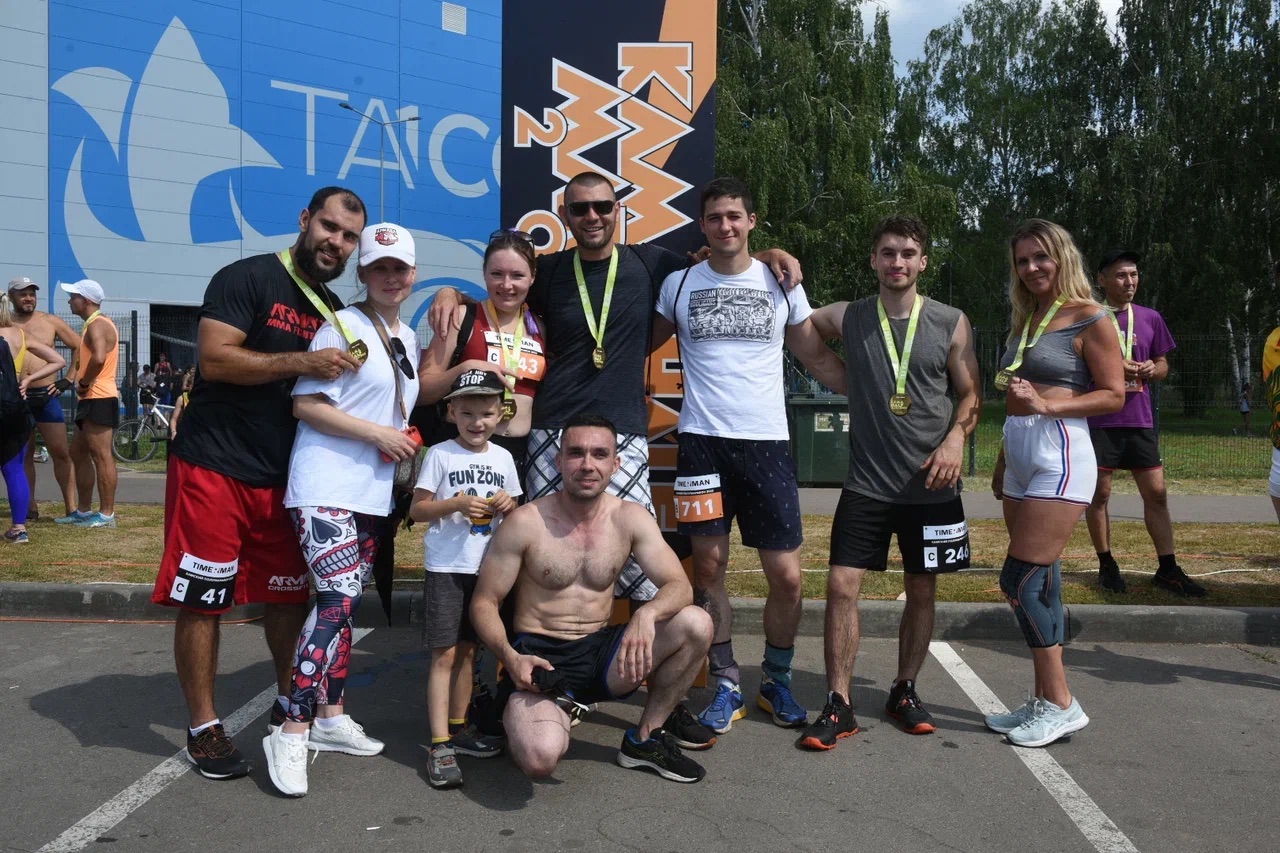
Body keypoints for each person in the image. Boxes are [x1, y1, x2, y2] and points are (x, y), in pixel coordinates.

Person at [430, 171, 802, 603]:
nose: (592, 216)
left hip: (623, 432)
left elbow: (722, 258)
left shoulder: (652, 263)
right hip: (554, 432)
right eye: (580, 208)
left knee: (636, 562)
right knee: (549, 555)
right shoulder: (548, 271)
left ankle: (641, 638)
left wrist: (770, 254)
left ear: (617, 211)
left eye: (602, 206)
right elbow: (503, 291)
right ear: (565, 215)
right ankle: (542, 642)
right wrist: (451, 292)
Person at [150, 186, 367, 781]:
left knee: (288, 597)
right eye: (328, 227)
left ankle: (290, 703)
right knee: (203, 598)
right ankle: (204, 727)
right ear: (304, 219)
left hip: (285, 478)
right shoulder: (246, 277)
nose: (336, 242)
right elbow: (216, 359)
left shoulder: (333, 308)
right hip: (213, 465)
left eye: (348, 236)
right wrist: (302, 361)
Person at [650, 177, 845, 735]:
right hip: (701, 444)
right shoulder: (679, 284)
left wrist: (873, 398)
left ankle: (776, 680)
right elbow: (634, 344)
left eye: (734, 216)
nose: (725, 226)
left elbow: (815, 357)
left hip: (767, 445)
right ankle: (727, 681)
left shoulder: (780, 281)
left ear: (752, 222)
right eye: (714, 217)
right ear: (702, 224)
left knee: (786, 576)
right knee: (708, 568)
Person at [798, 215, 981, 749]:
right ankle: (839, 703)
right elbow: (800, 329)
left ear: (923, 261)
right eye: (887, 253)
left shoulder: (951, 321)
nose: (896, 262)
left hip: (932, 484)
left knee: (922, 589)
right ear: (873, 260)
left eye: (907, 253)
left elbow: (971, 394)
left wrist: (956, 439)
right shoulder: (851, 315)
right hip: (867, 484)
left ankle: (904, 689)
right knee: (841, 587)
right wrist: (846, 380)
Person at [261, 221, 421, 797]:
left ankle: (330, 717)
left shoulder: (408, 338)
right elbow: (306, 405)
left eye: (399, 268)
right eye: (378, 268)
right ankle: (291, 728)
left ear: (413, 274)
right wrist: (379, 434)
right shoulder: (341, 326)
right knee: (337, 601)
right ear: (363, 273)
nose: (389, 277)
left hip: (370, 494)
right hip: (325, 485)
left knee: (345, 608)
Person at [470, 414, 715, 783]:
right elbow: (484, 602)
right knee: (540, 758)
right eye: (576, 453)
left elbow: (679, 585)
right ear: (558, 461)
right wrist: (510, 657)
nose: (587, 464)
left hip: (603, 656)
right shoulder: (526, 522)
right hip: (541, 661)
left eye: (600, 454)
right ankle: (534, 712)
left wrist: (646, 615)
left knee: (697, 622)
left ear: (616, 464)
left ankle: (645, 738)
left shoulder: (629, 518)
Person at [986, 219, 1124, 747]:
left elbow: (1113, 394)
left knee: (1019, 581)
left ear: (1062, 257)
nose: (1031, 268)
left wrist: (1047, 406)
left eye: (1040, 257)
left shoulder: (1091, 316)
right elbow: (1016, 396)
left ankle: (1063, 702)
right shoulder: (1027, 319)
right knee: (1043, 582)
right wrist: (1004, 459)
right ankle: (1045, 699)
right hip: (1021, 451)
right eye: (1022, 260)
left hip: (1060, 450)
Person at [410, 369, 520, 788]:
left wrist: (508, 504)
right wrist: (454, 503)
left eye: (487, 413)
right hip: (447, 567)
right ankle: (439, 743)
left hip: (487, 570)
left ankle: (459, 728)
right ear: (451, 411)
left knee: (470, 652)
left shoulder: (503, 458)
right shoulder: (440, 454)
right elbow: (418, 510)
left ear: (500, 414)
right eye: (468, 413)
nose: (477, 422)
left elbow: (515, 511)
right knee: (444, 654)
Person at [1083, 249, 1203, 597]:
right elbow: (1075, 362)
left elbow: (1163, 363)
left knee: (1157, 494)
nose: (1129, 282)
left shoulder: (1150, 317)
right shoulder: (1089, 317)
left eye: (1134, 274)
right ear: (1102, 280)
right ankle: (1107, 565)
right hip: (1101, 420)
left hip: (1139, 420)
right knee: (1099, 495)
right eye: (1121, 275)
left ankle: (1167, 569)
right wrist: (1111, 366)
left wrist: (1154, 368)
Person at [419, 229, 546, 474]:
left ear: (532, 277)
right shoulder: (462, 317)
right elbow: (422, 390)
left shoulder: (538, 327)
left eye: (517, 275)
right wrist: (466, 368)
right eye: (496, 274)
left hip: (517, 455)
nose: (506, 285)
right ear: (484, 274)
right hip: (461, 450)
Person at [7, 277, 80, 522]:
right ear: (12, 297)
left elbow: (79, 345)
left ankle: (71, 508)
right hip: (17, 397)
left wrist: (68, 378)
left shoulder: (50, 321)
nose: (28, 298)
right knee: (24, 454)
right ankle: (29, 507)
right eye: (23, 294)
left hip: (46, 395)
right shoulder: (5, 323)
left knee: (61, 452)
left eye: (32, 294)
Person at [0, 292, 67, 543]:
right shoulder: (20, 335)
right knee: (14, 468)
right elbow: (58, 360)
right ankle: (19, 528)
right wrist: (27, 380)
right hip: (15, 406)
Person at [61, 279, 119, 528]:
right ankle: (84, 511)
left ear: (85, 301)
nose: (69, 301)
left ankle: (106, 515)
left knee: (101, 455)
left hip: (99, 396)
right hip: (90, 397)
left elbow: (98, 358)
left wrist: (84, 383)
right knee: (77, 451)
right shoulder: (93, 324)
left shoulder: (97, 324)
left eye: (73, 296)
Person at [169, 368, 195, 439]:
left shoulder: (201, 398)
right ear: (188, 386)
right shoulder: (181, 399)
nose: (193, 389)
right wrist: (173, 432)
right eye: (192, 386)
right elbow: (173, 419)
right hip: (184, 432)